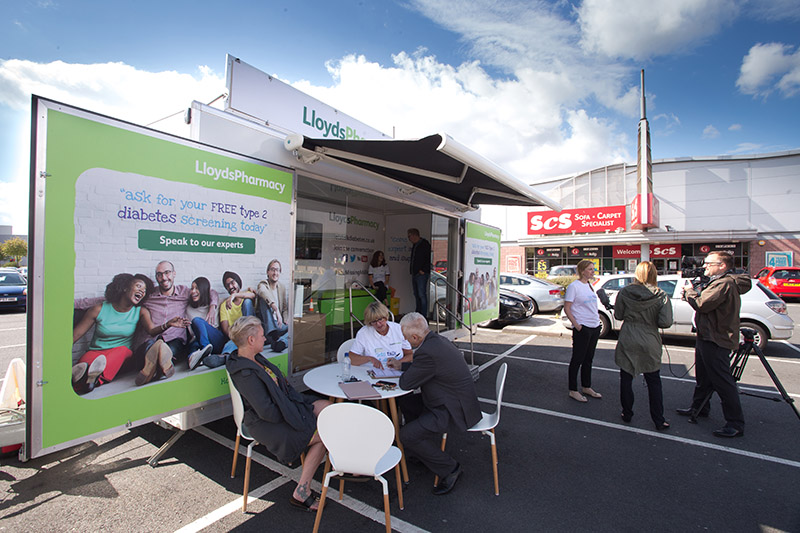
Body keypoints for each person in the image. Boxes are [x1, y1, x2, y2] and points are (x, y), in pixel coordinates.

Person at [226, 316, 330, 510]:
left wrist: (295, 409)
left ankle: (342, 463)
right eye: (262, 336)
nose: (265, 339)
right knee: (324, 435)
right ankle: (302, 491)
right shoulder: (245, 373)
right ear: (251, 340)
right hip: (267, 423)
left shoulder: (254, 359)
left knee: (327, 407)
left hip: (285, 407)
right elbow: (267, 412)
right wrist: (297, 416)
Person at [387, 312, 481, 495]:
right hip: (454, 400)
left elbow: (406, 383)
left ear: (415, 337)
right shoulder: (436, 340)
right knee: (406, 402)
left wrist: (403, 371)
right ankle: (420, 451)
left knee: (406, 435)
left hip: (452, 409)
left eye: (406, 338)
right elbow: (426, 368)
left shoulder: (426, 352)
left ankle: (450, 468)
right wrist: (401, 365)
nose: (406, 342)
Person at [678, 251, 751, 438]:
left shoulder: (724, 283)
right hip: (707, 335)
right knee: (703, 377)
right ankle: (699, 408)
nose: (705, 266)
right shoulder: (719, 282)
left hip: (717, 339)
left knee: (722, 381)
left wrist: (689, 292)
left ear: (722, 266)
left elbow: (702, 304)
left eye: (710, 263)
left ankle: (735, 423)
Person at [71, 273, 166, 393]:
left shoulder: (140, 311)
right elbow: (75, 336)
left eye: (144, 290)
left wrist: (168, 324)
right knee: (84, 366)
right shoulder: (99, 309)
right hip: (96, 352)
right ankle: (84, 379)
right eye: (138, 286)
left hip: (121, 356)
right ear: (125, 287)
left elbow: (152, 330)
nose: (142, 291)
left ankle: (94, 380)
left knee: (123, 351)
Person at [613, 261, 673, 430]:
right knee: (653, 381)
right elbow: (665, 322)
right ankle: (659, 419)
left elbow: (618, 315)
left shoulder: (625, 292)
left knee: (626, 378)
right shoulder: (661, 295)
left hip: (629, 336)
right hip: (649, 338)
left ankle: (627, 413)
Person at [138, 260, 213, 384]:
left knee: (169, 349)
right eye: (159, 274)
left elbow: (209, 292)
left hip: (175, 340)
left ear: (174, 274)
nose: (163, 278)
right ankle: (162, 366)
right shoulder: (149, 295)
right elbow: (128, 297)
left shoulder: (184, 292)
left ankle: (153, 369)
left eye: (167, 273)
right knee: (150, 346)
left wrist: (213, 307)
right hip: (151, 339)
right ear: (156, 277)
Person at [563, 260, 602, 402]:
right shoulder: (574, 286)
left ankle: (586, 386)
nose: (593, 271)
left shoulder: (590, 286)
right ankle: (573, 390)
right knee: (577, 359)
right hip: (583, 327)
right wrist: (578, 326)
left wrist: (597, 323)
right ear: (582, 270)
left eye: (593, 269)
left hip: (594, 326)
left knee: (588, 359)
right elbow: (567, 308)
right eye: (590, 269)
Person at [347, 302, 412, 369]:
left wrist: (398, 363)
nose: (378, 324)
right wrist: (369, 358)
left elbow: (410, 354)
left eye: (380, 319)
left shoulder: (398, 329)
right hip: (372, 372)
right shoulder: (363, 333)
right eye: (373, 321)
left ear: (386, 317)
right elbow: (351, 358)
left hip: (396, 371)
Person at [216, 270, 257, 364]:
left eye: (232, 283)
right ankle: (225, 357)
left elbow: (252, 295)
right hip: (238, 336)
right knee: (237, 339)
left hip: (252, 331)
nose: (230, 287)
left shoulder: (247, 294)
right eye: (227, 285)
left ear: (238, 281)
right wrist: (239, 335)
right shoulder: (224, 305)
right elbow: (226, 330)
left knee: (247, 302)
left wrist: (234, 295)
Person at [185, 276, 226, 370]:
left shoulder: (216, 303)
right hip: (198, 340)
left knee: (197, 320)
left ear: (203, 289)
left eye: (197, 288)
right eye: (192, 288)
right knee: (193, 343)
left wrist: (212, 307)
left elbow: (213, 292)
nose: (193, 291)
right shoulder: (188, 309)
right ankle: (192, 359)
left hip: (216, 340)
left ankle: (206, 349)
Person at [256, 259, 289, 352]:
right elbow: (262, 292)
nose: (275, 273)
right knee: (263, 300)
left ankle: (281, 342)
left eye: (277, 270)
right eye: (272, 269)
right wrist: (276, 310)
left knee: (295, 327)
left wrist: (285, 318)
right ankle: (272, 334)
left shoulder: (282, 287)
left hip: (279, 324)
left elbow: (285, 308)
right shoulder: (263, 284)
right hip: (266, 326)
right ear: (268, 272)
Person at [407, 228, 431, 316]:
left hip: (421, 274)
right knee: (416, 294)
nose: (409, 239)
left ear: (414, 235)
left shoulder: (424, 245)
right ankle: (418, 313)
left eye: (409, 236)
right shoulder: (415, 245)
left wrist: (423, 270)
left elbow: (429, 259)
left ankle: (423, 315)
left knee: (422, 295)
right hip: (415, 273)